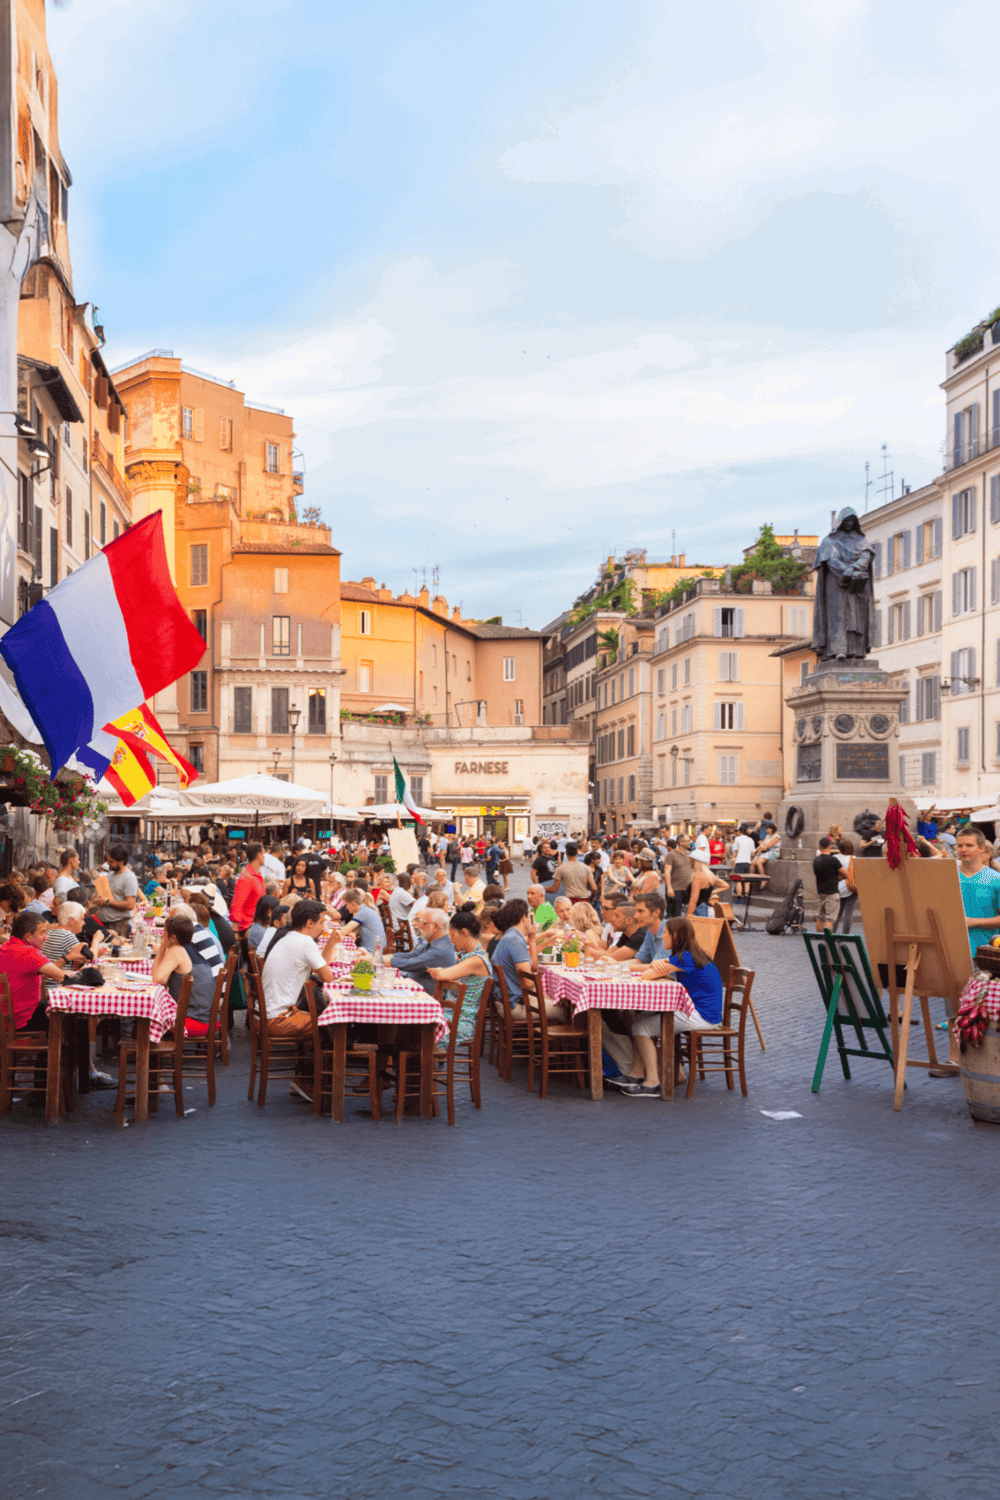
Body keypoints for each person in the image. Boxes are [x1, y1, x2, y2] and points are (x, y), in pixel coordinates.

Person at [619, 918, 722, 1098]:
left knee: (639, 1026)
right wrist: (656, 964)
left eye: (665, 933)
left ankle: (652, 1082)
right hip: (703, 1012)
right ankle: (636, 1074)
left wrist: (655, 967)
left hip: (702, 1016)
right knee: (640, 1019)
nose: (662, 937)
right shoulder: (691, 955)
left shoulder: (685, 958)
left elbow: (646, 975)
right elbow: (654, 968)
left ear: (674, 936)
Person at [259, 900, 338, 1036]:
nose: (323, 928)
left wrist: (331, 943)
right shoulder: (305, 942)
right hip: (279, 1019)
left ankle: (323, 1053)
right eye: (321, 922)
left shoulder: (289, 937)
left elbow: (321, 969)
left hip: (266, 1015)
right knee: (332, 1020)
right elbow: (328, 977)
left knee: (323, 1013)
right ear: (309, 923)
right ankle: (333, 1055)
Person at [491, 899, 565, 1021]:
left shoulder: (510, 936)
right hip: (516, 1006)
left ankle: (551, 1038)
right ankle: (558, 1039)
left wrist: (532, 939)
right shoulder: (515, 940)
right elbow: (528, 983)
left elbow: (532, 968)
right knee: (570, 1011)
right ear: (524, 918)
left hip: (505, 1002)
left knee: (557, 1000)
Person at [426, 911, 492, 1044]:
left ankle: (417, 1061)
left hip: (460, 1023)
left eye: (452, 935)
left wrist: (437, 970)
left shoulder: (476, 960)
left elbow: (441, 975)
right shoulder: (473, 956)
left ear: (464, 932)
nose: (450, 940)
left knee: (412, 1029)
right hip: (452, 1017)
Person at [0, 910, 67, 1033]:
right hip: (22, 1021)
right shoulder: (28, 953)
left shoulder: (6, 946)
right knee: (69, 1011)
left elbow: (25, 975)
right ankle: (69, 1051)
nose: (46, 937)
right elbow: (63, 977)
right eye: (42, 932)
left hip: (5, 1019)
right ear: (28, 937)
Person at [151, 912, 218, 1034]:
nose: (162, 936)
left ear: (173, 938)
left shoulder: (176, 950)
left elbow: (157, 979)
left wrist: (162, 947)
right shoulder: (189, 949)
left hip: (195, 1020)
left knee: (149, 1018)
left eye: (164, 933)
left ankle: (149, 1050)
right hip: (207, 1017)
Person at [386, 908, 456, 995]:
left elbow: (409, 964)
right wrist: (380, 958)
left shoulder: (440, 950)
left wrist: (379, 960)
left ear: (435, 926)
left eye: (424, 923)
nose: (420, 926)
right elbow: (410, 955)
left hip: (423, 999)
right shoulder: (436, 944)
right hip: (413, 992)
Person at [957, 826, 1000, 955]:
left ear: (981, 848)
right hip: (950, 951)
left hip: (985, 952)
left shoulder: (996, 879)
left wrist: (974, 921)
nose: (963, 850)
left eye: (969, 845)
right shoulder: (947, 876)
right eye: (960, 845)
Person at [230, 843, 267, 934]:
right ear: (259, 855)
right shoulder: (247, 878)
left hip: (256, 925)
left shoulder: (255, 876)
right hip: (248, 927)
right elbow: (237, 905)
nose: (265, 857)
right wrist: (236, 931)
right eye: (263, 854)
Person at [41, 900, 90, 968]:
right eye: (81, 919)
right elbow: (89, 959)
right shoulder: (67, 936)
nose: (84, 923)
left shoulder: (49, 932)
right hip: (60, 977)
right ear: (71, 921)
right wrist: (96, 940)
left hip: (48, 976)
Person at [627, 893, 670, 969]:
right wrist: (614, 964)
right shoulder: (650, 931)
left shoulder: (670, 931)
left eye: (640, 911)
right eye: (636, 911)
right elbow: (640, 960)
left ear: (656, 912)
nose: (635, 916)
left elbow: (658, 968)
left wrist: (619, 966)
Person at [339, 889, 386, 953]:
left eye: (346, 904)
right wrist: (355, 932)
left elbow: (343, 932)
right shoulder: (367, 909)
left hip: (371, 953)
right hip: (378, 950)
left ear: (353, 904)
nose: (346, 907)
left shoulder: (362, 912)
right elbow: (365, 927)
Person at [812, 836, 842, 932]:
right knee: (829, 919)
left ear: (820, 847)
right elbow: (845, 874)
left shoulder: (816, 860)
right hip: (832, 892)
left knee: (820, 917)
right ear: (830, 847)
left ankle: (820, 940)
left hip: (821, 892)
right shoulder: (833, 860)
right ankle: (827, 943)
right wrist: (837, 877)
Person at [664, 838, 694, 918]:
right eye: (687, 840)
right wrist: (669, 888)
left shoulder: (690, 854)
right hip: (676, 889)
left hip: (688, 889)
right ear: (681, 842)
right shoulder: (671, 855)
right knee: (676, 916)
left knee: (689, 915)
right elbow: (667, 872)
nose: (689, 842)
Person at [833, 838, 857, 933]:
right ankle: (845, 936)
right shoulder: (853, 858)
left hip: (837, 888)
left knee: (837, 914)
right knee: (848, 913)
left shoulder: (835, 858)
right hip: (851, 887)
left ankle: (832, 934)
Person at [731, 825, 756, 898]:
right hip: (748, 862)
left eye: (738, 831)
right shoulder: (750, 840)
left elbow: (736, 852)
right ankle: (746, 895)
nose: (737, 832)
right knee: (747, 880)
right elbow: (753, 853)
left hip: (739, 862)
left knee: (738, 880)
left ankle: (739, 896)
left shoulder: (737, 839)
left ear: (740, 831)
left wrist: (734, 859)